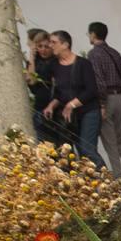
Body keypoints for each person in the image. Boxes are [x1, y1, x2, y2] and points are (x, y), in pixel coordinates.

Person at [44, 30, 105, 168]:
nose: (50, 45)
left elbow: (91, 90)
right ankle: (86, 184)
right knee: (69, 150)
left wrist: (71, 104)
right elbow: (60, 93)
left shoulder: (83, 64)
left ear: (65, 44)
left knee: (86, 149)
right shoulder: (54, 65)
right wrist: (51, 105)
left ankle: (106, 180)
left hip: (88, 111)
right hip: (70, 116)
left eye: (54, 42)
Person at [86, 22, 121, 178]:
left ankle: (117, 176)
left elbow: (99, 81)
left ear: (93, 35)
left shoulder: (94, 54)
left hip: (106, 99)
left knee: (110, 142)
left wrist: (101, 104)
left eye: (89, 34)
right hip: (120, 97)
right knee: (119, 138)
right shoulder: (115, 52)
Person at [26, 29, 60, 145]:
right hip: (39, 107)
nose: (43, 50)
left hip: (56, 108)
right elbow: (31, 81)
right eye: (40, 46)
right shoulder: (34, 62)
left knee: (60, 146)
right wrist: (32, 56)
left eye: (46, 46)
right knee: (43, 145)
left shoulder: (56, 61)